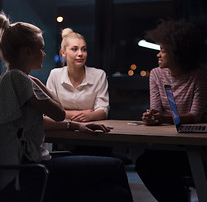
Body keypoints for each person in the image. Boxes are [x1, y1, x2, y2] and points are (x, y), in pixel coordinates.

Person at [0, 12, 133, 202]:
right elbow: (59, 112)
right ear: (27, 52)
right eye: (41, 49)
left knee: (113, 192)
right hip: (28, 172)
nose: (45, 54)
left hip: (27, 169)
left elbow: (35, 123)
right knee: (116, 168)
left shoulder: (10, 78)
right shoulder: (19, 79)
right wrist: (39, 82)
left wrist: (76, 125)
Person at [135, 19, 207, 202]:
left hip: (193, 144)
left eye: (163, 50)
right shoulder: (156, 74)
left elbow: (194, 116)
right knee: (144, 164)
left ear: (179, 52)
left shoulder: (198, 75)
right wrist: (151, 117)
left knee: (154, 166)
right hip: (166, 143)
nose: (158, 55)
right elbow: (155, 110)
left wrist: (162, 118)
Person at [46, 28, 109, 122]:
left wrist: (90, 116)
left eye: (84, 49)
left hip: (91, 128)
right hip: (61, 128)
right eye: (74, 49)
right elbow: (49, 110)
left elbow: (103, 110)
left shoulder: (99, 75)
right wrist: (81, 114)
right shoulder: (55, 74)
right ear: (63, 53)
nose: (80, 54)